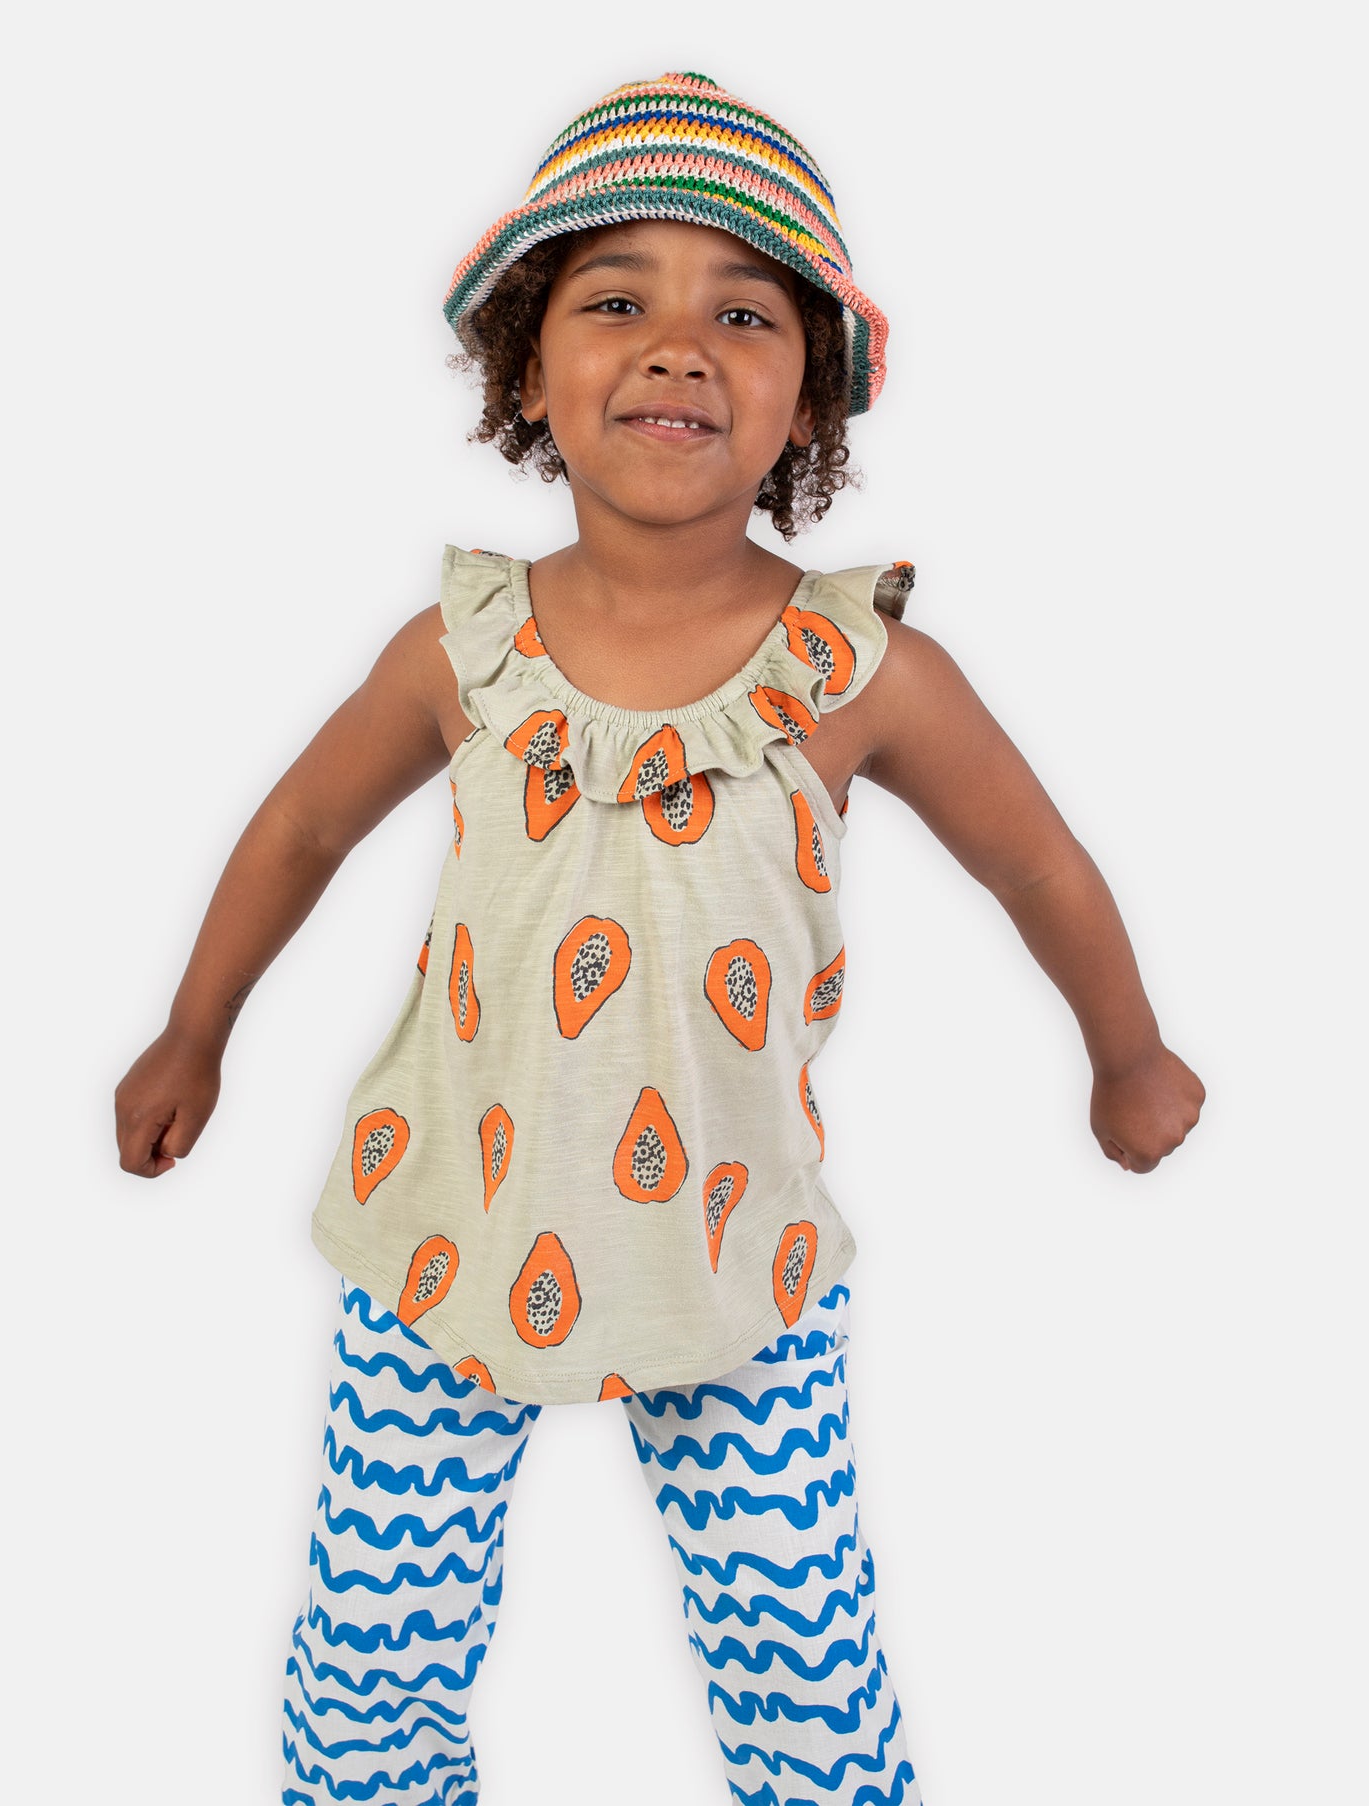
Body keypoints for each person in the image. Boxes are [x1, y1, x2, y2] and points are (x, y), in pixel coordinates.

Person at [114, 69, 1205, 1806]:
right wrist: (196, 1027)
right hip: (444, 1225)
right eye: (615, 302)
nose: (678, 347)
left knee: (804, 1667)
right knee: (369, 1655)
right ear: (525, 371)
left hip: (733, 1244)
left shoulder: (860, 673)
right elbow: (304, 825)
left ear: (809, 394)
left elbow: (1040, 866)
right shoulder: (461, 647)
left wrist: (1126, 1053)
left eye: (742, 314)